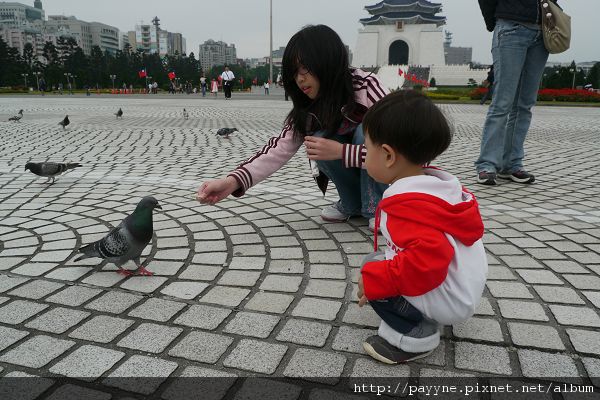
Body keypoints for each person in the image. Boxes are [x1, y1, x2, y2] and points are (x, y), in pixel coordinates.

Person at [197, 25, 389, 230]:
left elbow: (401, 147)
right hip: (359, 166)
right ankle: (353, 203)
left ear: (328, 61)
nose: (299, 79)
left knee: (367, 131)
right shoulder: (308, 106)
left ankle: (379, 207)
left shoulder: (367, 87)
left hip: (388, 180)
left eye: (304, 68)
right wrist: (231, 182)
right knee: (319, 139)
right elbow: (277, 149)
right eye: (294, 72)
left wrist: (343, 152)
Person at [357, 90, 487, 364]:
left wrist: (374, 282)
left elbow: (427, 261)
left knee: (373, 276)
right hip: (459, 288)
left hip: (448, 293)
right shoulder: (434, 189)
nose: (364, 156)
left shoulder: (410, 208)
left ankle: (415, 338)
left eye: (367, 149)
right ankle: (426, 313)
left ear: (389, 156)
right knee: (379, 263)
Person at [475, 0, 553, 185]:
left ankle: (512, 164)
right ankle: (487, 164)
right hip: (511, 27)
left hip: (542, 33)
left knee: (525, 105)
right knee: (503, 103)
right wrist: (497, 19)